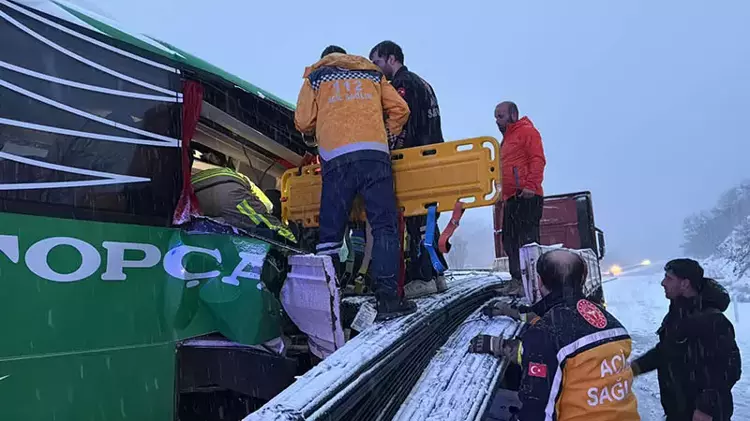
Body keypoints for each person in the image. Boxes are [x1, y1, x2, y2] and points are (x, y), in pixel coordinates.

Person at [294, 45, 416, 321]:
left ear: (325, 59)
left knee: (330, 234)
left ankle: (329, 302)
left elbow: (302, 121)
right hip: (374, 155)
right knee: (384, 227)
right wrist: (386, 133)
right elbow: (401, 109)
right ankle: (387, 299)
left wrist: (322, 128)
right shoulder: (370, 72)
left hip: (336, 159)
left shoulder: (316, 77)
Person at [470, 249, 641, 421]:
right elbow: (557, 340)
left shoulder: (546, 333)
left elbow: (537, 411)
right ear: (582, 279)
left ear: (539, 281)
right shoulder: (612, 324)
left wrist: (497, 345)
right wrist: (511, 311)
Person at [369, 40, 447, 298]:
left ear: (391, 58)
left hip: (416, 159)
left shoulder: (402, 85)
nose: (376, 69)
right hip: (433, 157)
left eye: (377, 62)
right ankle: (436, 273)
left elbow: (400, 123)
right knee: (428, 216)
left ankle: (424, 276)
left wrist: (388, 150)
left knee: (417, 220)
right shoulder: (423, 83)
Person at [631, 259, 741, 421]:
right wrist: (635, 367)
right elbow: (666, 351)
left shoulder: (712, 319)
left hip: (704, 415)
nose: (663, 283)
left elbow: (729, 367)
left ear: (685, 284)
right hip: (680, 411)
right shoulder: (678, 313)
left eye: (669, 278)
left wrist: (706, 407)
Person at [495, 101, 546, 295]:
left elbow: (537, 159)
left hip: (527, 196)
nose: (497, 121)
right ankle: (517, 280)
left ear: (513, 115)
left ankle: (533, 283)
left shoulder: (527, 132)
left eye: (500, 116)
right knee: (509, 240)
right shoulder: (506, 140)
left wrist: (531, 185)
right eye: (495, 117)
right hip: (511, 198)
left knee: (527, 242)